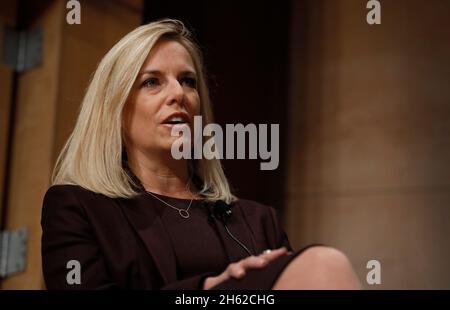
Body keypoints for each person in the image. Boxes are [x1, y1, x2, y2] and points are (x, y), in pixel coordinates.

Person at [41, 19, 361, 290]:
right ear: (115, 109)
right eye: (152, 82)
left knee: (323, 266)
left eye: (188, 81)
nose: (178, 94)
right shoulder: (77, 208)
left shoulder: (258, 221)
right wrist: (206, 289)